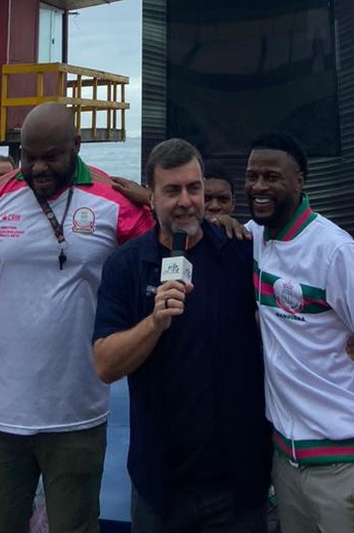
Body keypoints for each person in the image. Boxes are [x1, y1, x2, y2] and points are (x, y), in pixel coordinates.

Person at [0, 102, 154, 533]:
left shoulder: (113, 201)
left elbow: (170, 248)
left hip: (78, 413)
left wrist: (154, 201)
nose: (38, 168)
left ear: (76, 146)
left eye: (51, 157)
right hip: (0, 416)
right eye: (29, 156)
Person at [93, 138, 271, 532]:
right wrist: (154, 323)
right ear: (151, 196)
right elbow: (105, 365)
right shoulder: (126, 265)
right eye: (172, 191)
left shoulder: (240, 253)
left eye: (194, 188)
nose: (186, 201)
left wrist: (350, 339)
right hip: (160, 485)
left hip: (237, 484)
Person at [246, 131, 354, 532]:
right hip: (286, 463)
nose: (258, 186)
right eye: (252, 176)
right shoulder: (254, 237)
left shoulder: (335, 252)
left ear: (298, 182)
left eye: (271, 177)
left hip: (347, 463)